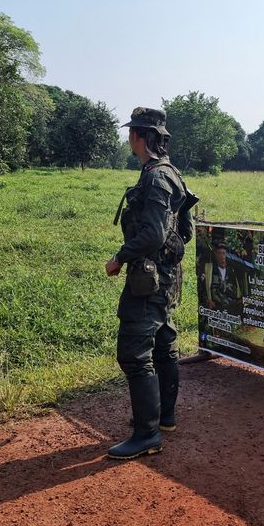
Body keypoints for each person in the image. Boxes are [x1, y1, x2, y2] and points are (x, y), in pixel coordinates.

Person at [105, 106, 195, 460]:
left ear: (140, 137)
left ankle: (146, 435)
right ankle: (165, 417)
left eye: (132, 133)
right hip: (166, 275)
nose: (129, 138)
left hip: (149, 276)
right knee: (163, 342)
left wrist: (119, 258)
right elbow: (184, 230)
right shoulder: (172, 173)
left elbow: (154, 234)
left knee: (133, 352)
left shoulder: (156, 178)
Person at [208, 243, 241, 311]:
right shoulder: (210, 270)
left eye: (223, 253)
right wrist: (207, 300)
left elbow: (236, 290)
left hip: (231, 307)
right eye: (219, 253)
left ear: (226, 255)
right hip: (215, 307)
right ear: (216, 254)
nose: (222, 256)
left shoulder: (231, 271)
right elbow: (203, 287)